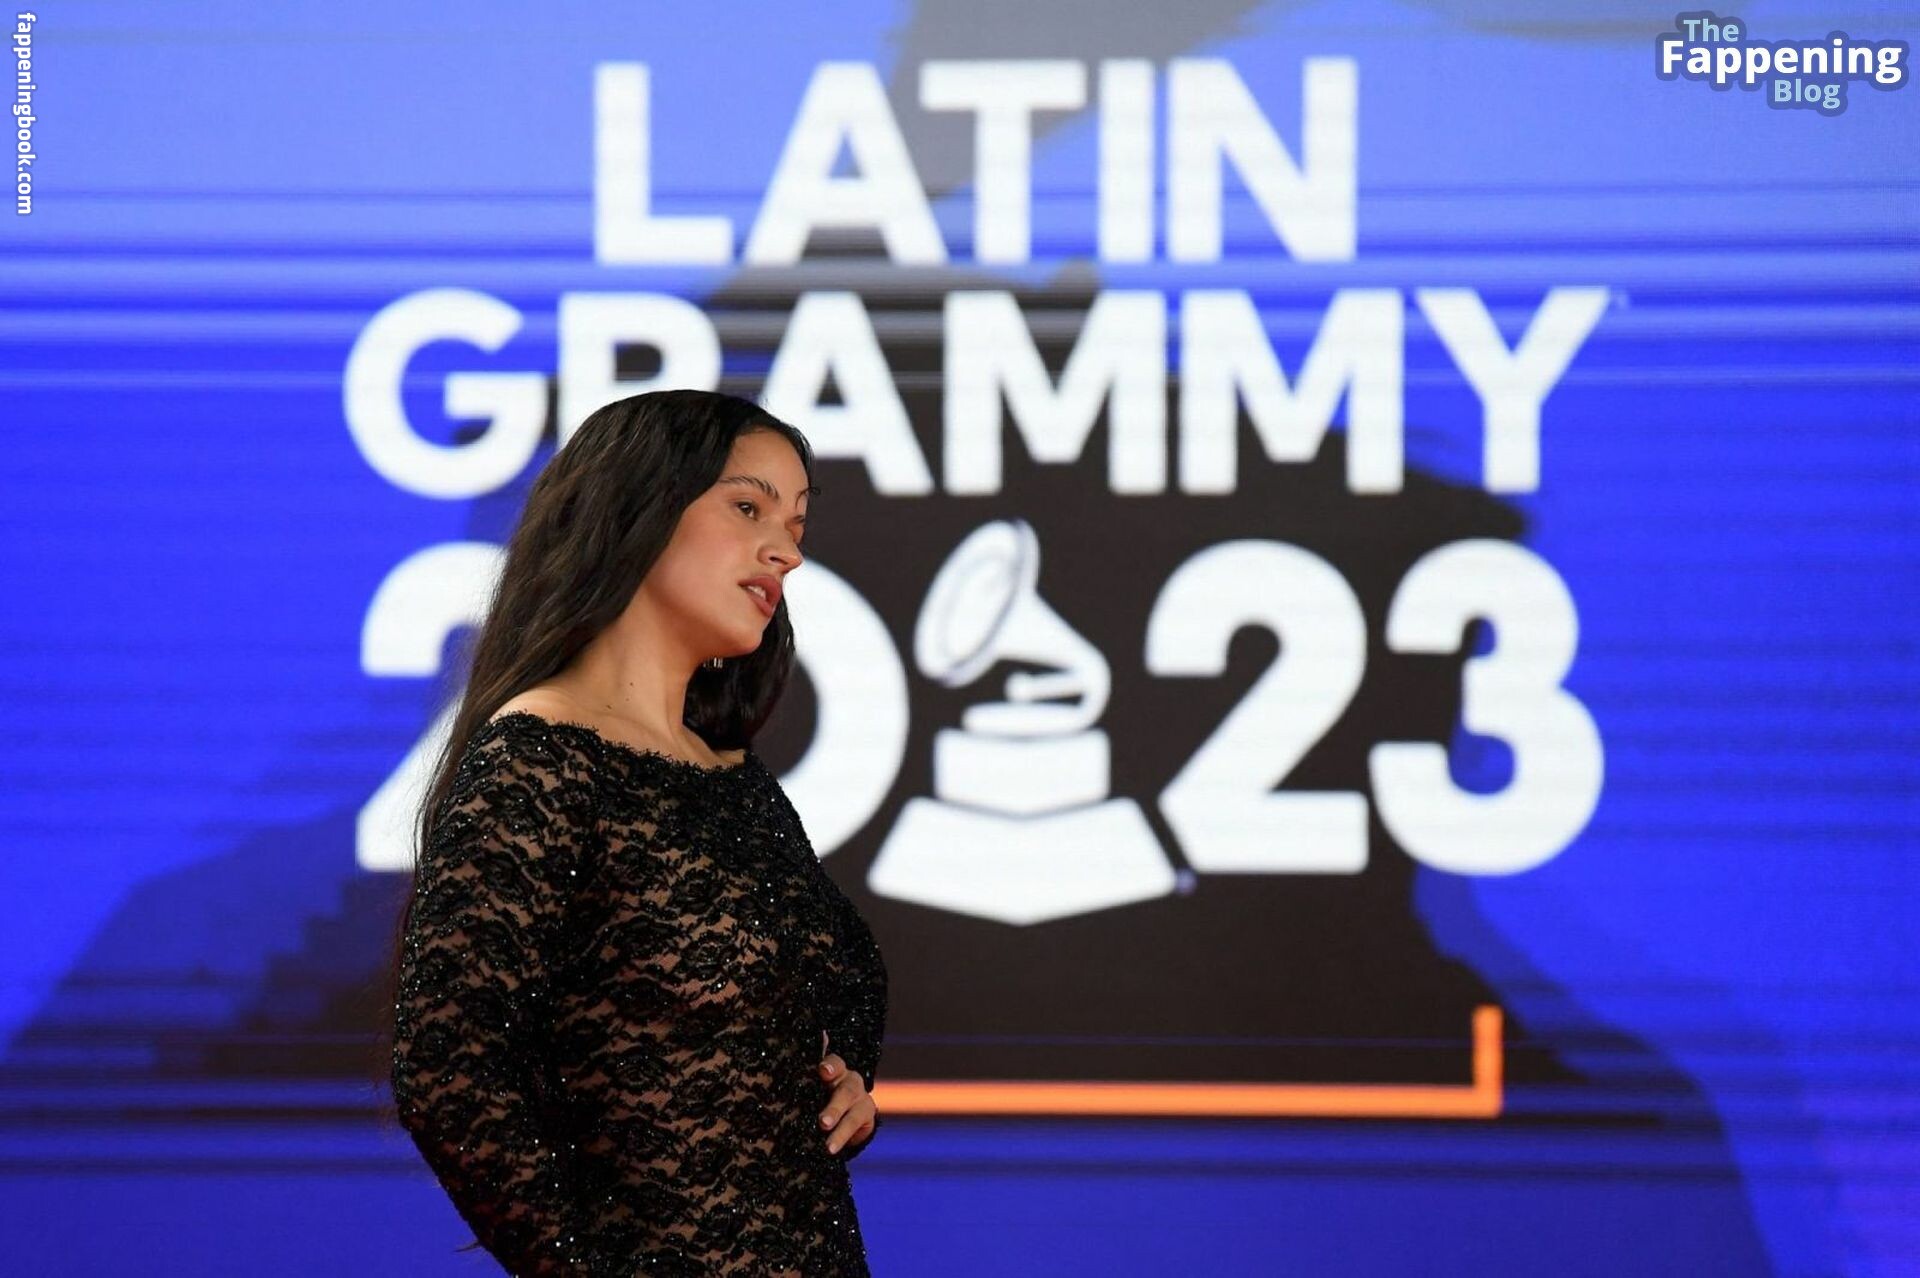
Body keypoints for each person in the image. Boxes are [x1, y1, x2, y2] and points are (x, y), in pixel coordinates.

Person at [390, 389, 888, 1276]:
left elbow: (834, 982)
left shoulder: (730, 774)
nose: (788, 550)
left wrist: (842, 1076)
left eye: (796, 524)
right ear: (638, 511)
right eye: (748, 508)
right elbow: (447, 1064)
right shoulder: (539, 759)